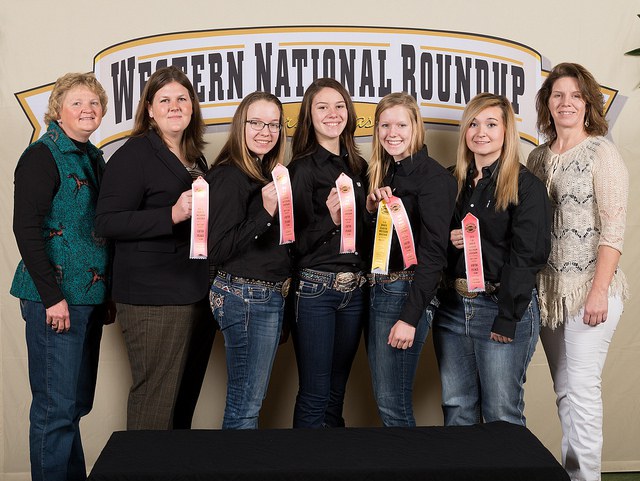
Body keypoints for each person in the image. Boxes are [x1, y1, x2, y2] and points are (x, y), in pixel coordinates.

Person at [95, 66, 214, 430]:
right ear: (149, 109)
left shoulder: (196, 158)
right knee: (155, 402)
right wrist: (171, 214)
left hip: (195, 292)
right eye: (164, 100)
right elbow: (107, 222)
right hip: (153, 298)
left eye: (182, 98)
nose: (174, 106)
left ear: (192, 106)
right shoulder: (135, 154)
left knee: (182, 402)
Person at [527, 63, 628, 481]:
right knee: (566, 393)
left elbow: (614, 228)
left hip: (590, 289)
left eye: (575, 96)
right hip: (549, 293)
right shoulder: (536, 156)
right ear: (547, 104)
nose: (566, 103)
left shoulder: (601, 152)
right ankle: (574, 475)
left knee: (582, 392)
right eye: (557, 95)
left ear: (588, 104)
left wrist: (599, 291)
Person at [10, 72, 111, 481]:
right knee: (54, 410)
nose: (87, 109)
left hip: (88, 297)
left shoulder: (93, 156)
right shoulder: (42, 155)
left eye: (94, 103)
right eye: (76, 102)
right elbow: (26, 229)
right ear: (58, 110)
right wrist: (52, 297)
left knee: (73, 406)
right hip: (54, 301)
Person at [432, 93, 551, 427]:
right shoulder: (449, 180)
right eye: (473, 123)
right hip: (453, 310)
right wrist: (449, 239)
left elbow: (527, 255)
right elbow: (427, 239)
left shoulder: (526, 186)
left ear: (506, 131)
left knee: (501, 414)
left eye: (490, 123)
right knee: (457, 410)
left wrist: (507, 317)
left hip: (499, 306)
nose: (480, 131)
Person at [365, 92, 456, 427]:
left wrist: (410, 317)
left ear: (416, 127)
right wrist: (371, 209)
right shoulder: (385, 174)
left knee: (393, 405)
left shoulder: (434, 178)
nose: (393, 132)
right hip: (380, 289)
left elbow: (434, 254)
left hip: (405, 295)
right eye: (385, 125)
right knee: (386, 400)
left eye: (401, 124)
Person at [206, 91, 290, 429]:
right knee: (245, 406)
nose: (265, 132)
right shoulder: (228, 176)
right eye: (256, 122)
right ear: (240, 124)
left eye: (273, 124)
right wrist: (265, 213)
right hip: (244, 296)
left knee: (249, 402)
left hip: (266, 296)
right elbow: (217, 248)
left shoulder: (265, 173)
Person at [288, 78, 369, 428]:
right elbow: (292, 245)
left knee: (337, 391)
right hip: (316, 290)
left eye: (339, 106)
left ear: (349, 113)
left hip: (356, 290)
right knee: (316, 392)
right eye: (322, 107)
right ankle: (306, 472)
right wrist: (332, 220)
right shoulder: (301, 169)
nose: (332, 114)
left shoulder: (360, 168)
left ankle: (333, 470)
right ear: (309, 115)